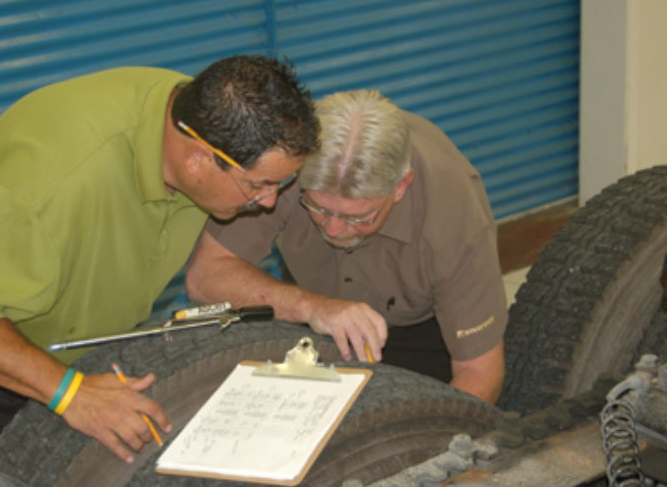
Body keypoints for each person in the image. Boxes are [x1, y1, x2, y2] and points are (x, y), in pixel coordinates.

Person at [0, 55, 320, 461]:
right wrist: (70, 393)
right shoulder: (55, 184)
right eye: (259, 186)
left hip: (78, 343)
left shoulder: (201, 117)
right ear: (197, 161)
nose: (267, 203)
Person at [185, 89, 507, 404]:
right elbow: (205, 276)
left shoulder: (451, 218)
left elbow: (480, 372)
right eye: (318, 208)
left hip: (418, 332)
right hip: (310, 311)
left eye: (358, 217)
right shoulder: (281, 173)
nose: (334, 230)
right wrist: (311, 307)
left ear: (400, 187)